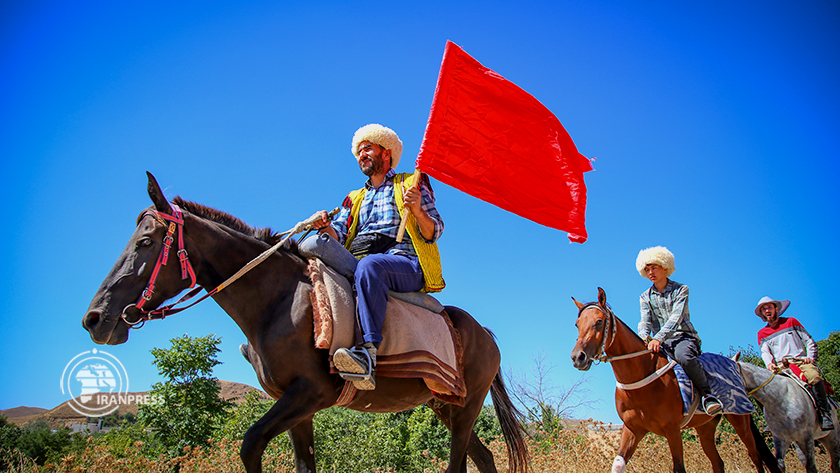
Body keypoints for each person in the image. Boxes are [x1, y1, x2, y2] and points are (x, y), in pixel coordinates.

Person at [298, 123, 444, 390]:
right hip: (361, 260)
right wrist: (325, 227)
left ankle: (367, 355)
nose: (362, 155)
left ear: (386, 153)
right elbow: (339, 236)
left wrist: (418, 211)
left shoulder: (411, 183)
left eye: (368, 149)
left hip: (404, 263)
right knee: (310, 245)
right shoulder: (353, 198)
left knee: (370, 266)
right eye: (358, 152)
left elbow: (434, 231)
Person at [635, 246, 723, 415]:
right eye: (647, 269)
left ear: (665, 267)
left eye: (654, 267)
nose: (650, 272)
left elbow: (675, 319)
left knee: (684, 357)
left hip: (683, 337)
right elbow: (644, 321)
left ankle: (708, 396)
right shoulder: (644, 296)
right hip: (659, 342)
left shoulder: (681, 290)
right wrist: (645, 337)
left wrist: (657, 338)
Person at [755, 296, 834, 430]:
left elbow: (809, 341)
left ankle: (825, 414)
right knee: (761, 388)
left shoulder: (791, 321)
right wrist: (769, 364)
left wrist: (810, 358)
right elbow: (765, 352)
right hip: (780, 367)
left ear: (776, 308)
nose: (767, 310)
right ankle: (772, 420)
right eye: (763, 309)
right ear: (762, 314)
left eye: (769, 307)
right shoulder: (762, 333)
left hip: (799, 362)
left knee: (814, 377)